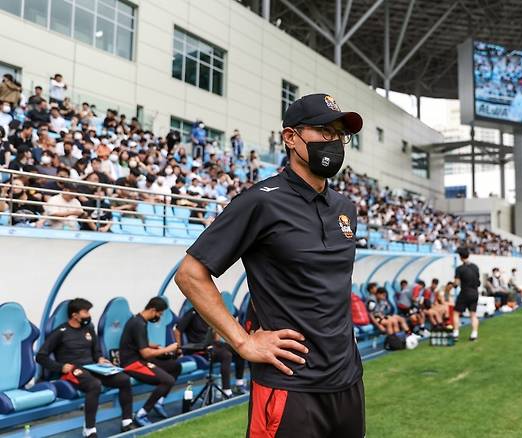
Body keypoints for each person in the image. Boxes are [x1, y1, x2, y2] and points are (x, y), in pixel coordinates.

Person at [175, 93, 365, 437]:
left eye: (339, 134)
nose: (333, 141)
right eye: (324, 131)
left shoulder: (345, 207)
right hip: (289, 385)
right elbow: (190, 274)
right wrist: (243, 342)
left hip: (348, 381)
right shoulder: (261, 201)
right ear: (291, 137)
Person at [36, 298, 137, 437]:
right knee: (94, 385)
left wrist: (101, 359)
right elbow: (41, 356)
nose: (88, 315)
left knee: (124, 379)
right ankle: (89, 429)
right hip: (72, 371)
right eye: (85, 312)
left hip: (93, 368)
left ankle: (127, 421)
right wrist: (60, 367)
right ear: (74, 315)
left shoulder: (89, 330)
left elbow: (96, 352)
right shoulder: (60, 332)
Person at [119, 297, 182, 426]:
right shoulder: (138, 324)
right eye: (159, 313)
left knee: (176, 367)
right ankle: (142, 414)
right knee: (168, 380)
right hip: (132, 363)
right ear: (153, 310)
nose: (159, 316)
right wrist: (166, 349)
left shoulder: (139, 320)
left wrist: (155, 346)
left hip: (140, 358)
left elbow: (142, 343)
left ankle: (158, 401)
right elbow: (145, 353)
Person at [174, 304, 247, 396]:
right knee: (226, 355)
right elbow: (177, 330)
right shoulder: (192, 313)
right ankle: (226, 390)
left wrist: (217, 343)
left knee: (239, 349)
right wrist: (179, 349)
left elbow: (215, 330)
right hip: (197, 348)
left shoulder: (210, 313)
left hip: (210, 344)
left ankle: (239, 384)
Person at [453, 247, 481, 341]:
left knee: (456, 313)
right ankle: (474, 334)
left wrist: (452, 285)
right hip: (475, 293)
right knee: (473, 314)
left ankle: (456, 333)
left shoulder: (459, 269)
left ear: (460, 257)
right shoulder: (475, 267)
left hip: (465, 293)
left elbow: (456, 283)